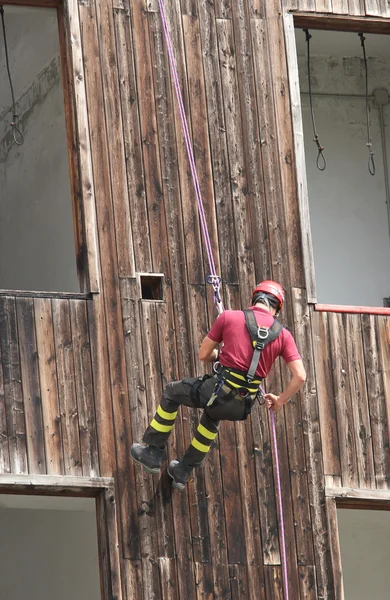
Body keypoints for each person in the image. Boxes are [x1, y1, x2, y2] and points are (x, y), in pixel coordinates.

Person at [130, 280, 306, 491]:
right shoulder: (283, 335)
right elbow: (300, 376)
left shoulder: (229, 317)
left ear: (255, 298)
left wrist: (220, 355)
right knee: (213, 416)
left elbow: (204, 354)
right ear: (276, 308)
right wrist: (279, 401)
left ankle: (153, 452)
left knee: (171, 392)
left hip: (216, 390)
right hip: (241, 405)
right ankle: (183, 470)